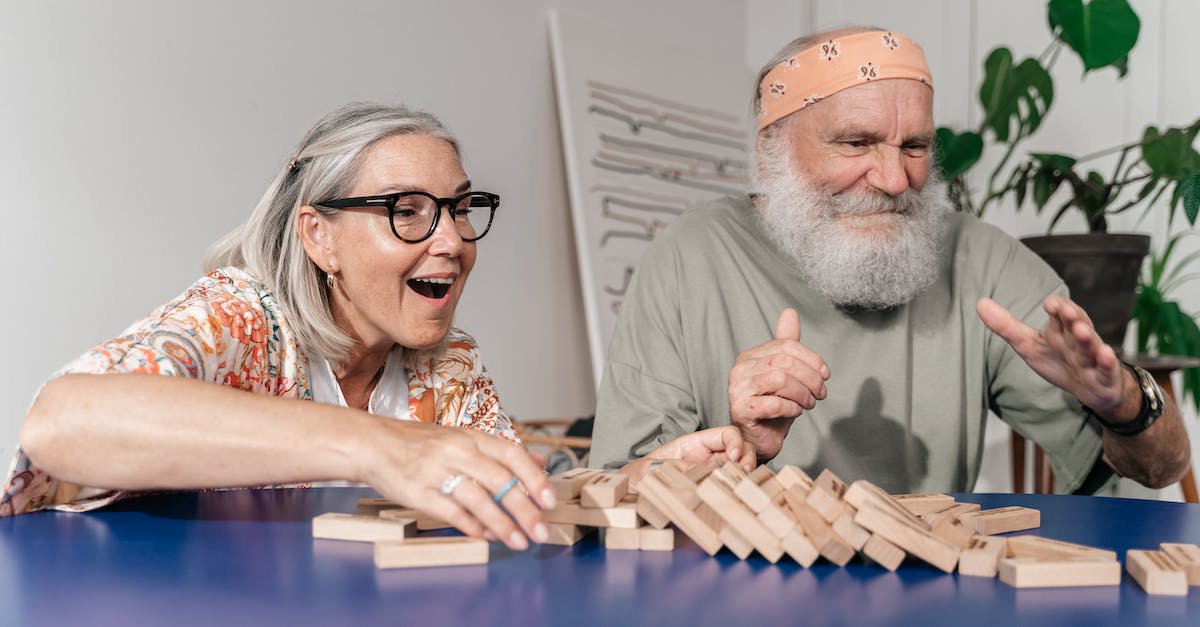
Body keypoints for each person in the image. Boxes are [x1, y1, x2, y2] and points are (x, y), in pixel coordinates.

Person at [591, 28, 1192, 495]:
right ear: (771, 146)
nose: (893, 178)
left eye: (915, 147)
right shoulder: (688, 256)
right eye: (855, 142)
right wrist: (740, 445)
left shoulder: (980, 258)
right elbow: (614, 496)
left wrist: (1127, 405)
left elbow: (1163, 469)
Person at [3, 103, 555, 551]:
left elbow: (508, 511)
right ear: (320, 237)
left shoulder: (450, 365)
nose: (454, 241)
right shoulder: (242, 317)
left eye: (460, 208)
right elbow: (62, 421)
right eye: (405, 211)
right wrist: (378, 446)